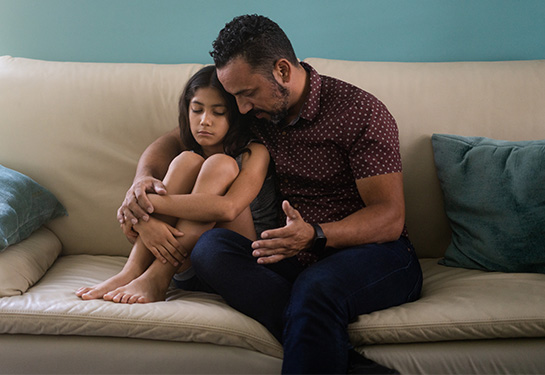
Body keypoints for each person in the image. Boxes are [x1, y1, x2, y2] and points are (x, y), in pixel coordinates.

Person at [117, 15, 423, 374]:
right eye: (236, 98)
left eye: (246, 95)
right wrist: (141, 181)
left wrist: (315, 235)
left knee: (316, 289)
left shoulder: (360, 112)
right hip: (285, 253)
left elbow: (389, 216)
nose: (242, 108)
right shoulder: (258, 110)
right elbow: (174, 139)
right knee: (210, 249)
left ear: (282, 71)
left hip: (374, 254)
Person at [76, 65, 278, 303]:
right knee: (186, 160)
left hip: (232, 261)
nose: (205, 121)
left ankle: (157, 278)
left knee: (220, 165)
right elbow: (158, 151)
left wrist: (146, 208)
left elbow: (228, 208)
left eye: (218, 112)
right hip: (185, 265)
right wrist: (147, 221)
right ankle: (131, 272)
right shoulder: (187, 147)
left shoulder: (254, 151)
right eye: (197, 110)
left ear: (235, 115)